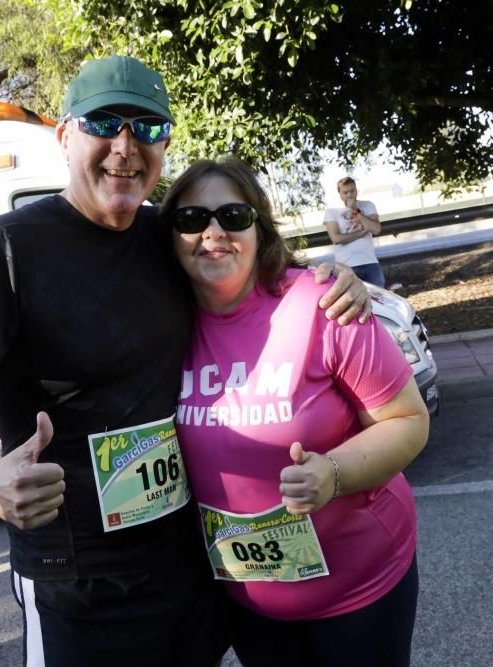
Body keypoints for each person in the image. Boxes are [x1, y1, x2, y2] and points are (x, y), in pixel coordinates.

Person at [0, 55, 369, 667]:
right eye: (105, 123)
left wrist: (334, 278)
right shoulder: (8, 248)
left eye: (147, 128)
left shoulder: (167, 235)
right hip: (77, 580)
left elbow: (253, 266)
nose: (126, 146)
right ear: (65, 136)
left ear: (165, 144)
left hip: (187, 561)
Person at [163, 158, 430, 667]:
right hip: (248, 602)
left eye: (234, 216)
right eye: (191, 219)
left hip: (361, 590)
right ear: (171, 236)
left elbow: (408, 421)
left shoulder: (322, 302)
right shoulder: (163, 325)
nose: (213, 232)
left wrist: (333, 473)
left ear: (259, 229)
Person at [323, 176, 386, 287]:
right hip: (346, 266)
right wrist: (362, 232)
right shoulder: (332, 211)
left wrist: (355, 211)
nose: (349, 195)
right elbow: (336, 239)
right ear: (340, 194)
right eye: (345, 192)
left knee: (378, 299)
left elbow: (376, 229)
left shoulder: (367, 205)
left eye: (352, 191)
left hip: (370, 262)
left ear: (356, 190)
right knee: (353, 300)